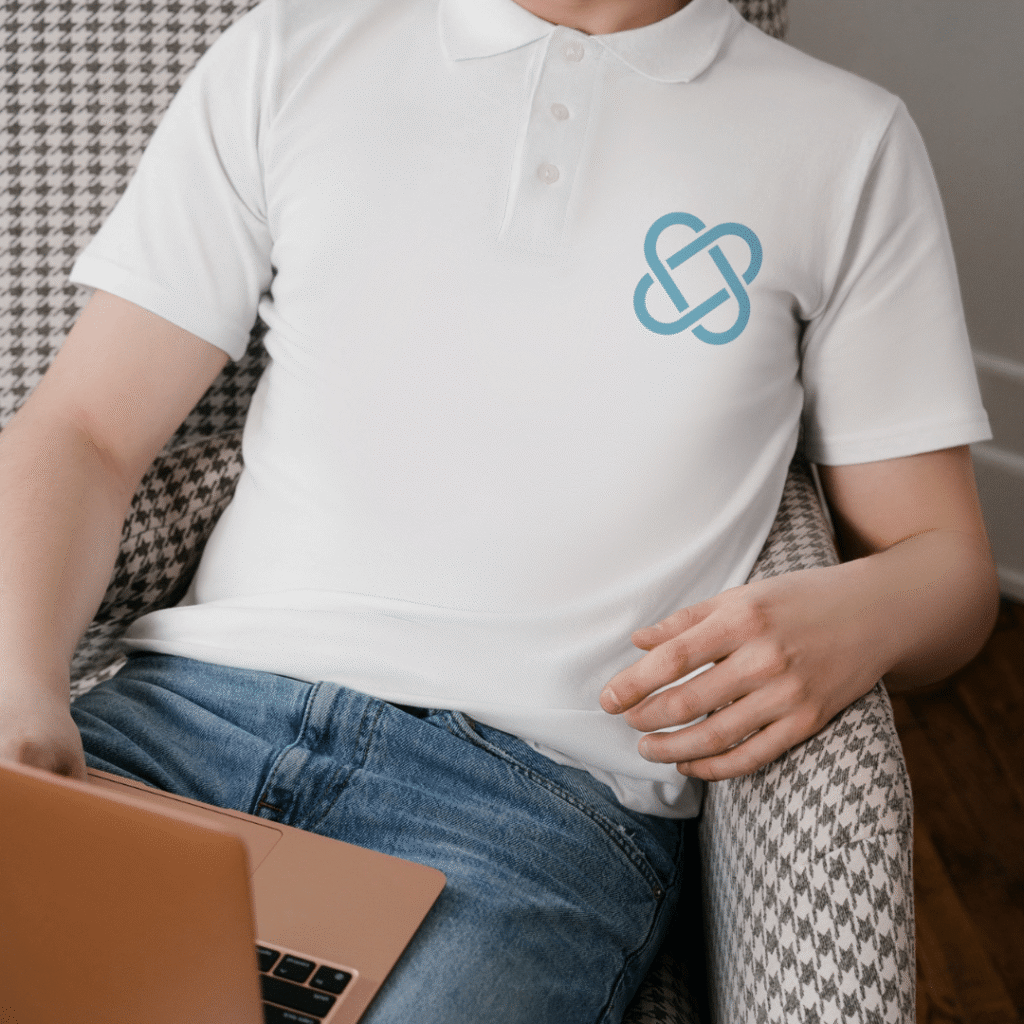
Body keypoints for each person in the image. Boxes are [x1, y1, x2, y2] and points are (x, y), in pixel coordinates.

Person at [0, 0, 1001, 1019]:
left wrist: (858, 613)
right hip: (173, 727)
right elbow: (84, 427)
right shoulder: (293, 50)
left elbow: (948, 560)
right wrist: (18, 677)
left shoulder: (845, 140)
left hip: (530, 813)